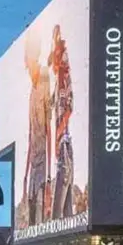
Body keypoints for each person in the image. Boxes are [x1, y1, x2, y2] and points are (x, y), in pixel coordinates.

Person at [22, 29, 52, 226]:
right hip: (34, 165)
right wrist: (25, 174)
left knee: (41, 217)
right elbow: (32, 135)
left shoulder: (44, 77)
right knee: (32, 219)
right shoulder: (32, 90)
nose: (25, 61)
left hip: (44, 167)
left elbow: (49, 127)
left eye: (27, 54)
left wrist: (49, 175)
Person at [48, 25, 75, 220]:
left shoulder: (64, 77)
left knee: (64, 178)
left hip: (64, 143)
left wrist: (59, 134)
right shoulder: (57, 82)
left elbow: (69, 107)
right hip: (61, 145)